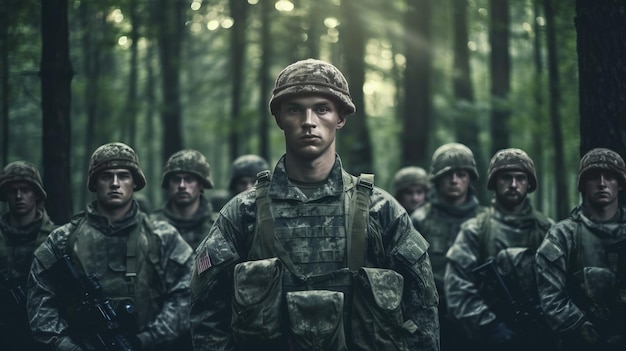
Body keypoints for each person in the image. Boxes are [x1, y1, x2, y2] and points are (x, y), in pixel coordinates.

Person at [189, 58, 439, 351]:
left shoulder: (381, 211)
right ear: (280, 118)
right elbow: (206, 314)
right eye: (295, 109)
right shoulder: (242, 213)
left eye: (322, 108)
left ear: (340, 118)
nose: (308, 121)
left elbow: (422, 313)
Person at [26, 142, 193, 351]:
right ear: (94, 183)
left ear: (135, 183)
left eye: (123, 175)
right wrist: (68, 346)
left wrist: (148, 339)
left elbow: (186, 296)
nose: (115, 183)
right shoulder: (62, 240)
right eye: (106, 176)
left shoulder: (162, 237)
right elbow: (39, 303)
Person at [444, 148, 555, 351]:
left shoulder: (549, 230)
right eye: (506, 178)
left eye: (520, 178)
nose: (513, 185)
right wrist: (492, 329)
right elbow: (457, 290)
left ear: (529, 184)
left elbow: (563, 289)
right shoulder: (475, 230)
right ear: (495, 182)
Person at [536, 148, 626, 351]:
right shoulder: (561, 236)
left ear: (620, 184)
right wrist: (593, 338)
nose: (602, 183)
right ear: (582, 184)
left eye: (610, 177)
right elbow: (552, 299)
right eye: (594, 177)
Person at [410, 142, 486, 351]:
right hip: (434, 316)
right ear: (436, 179)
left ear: (470, 178)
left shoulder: (485, 221)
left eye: (461, 174)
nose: (454, 180)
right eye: (447, 175)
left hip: (477, 314)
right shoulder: (419, 220)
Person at [0, 161, 57, 351]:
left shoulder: (57, 239)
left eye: (25, 190)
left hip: (44, 337)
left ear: (37, 194)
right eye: (12, 190)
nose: (18, 196)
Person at [151, 149, 216, 250]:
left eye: (189, 179)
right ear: (168, 185)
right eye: (176, 180)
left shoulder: (217, 227)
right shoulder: (151, 226)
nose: (182, 186)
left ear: (201, 184)